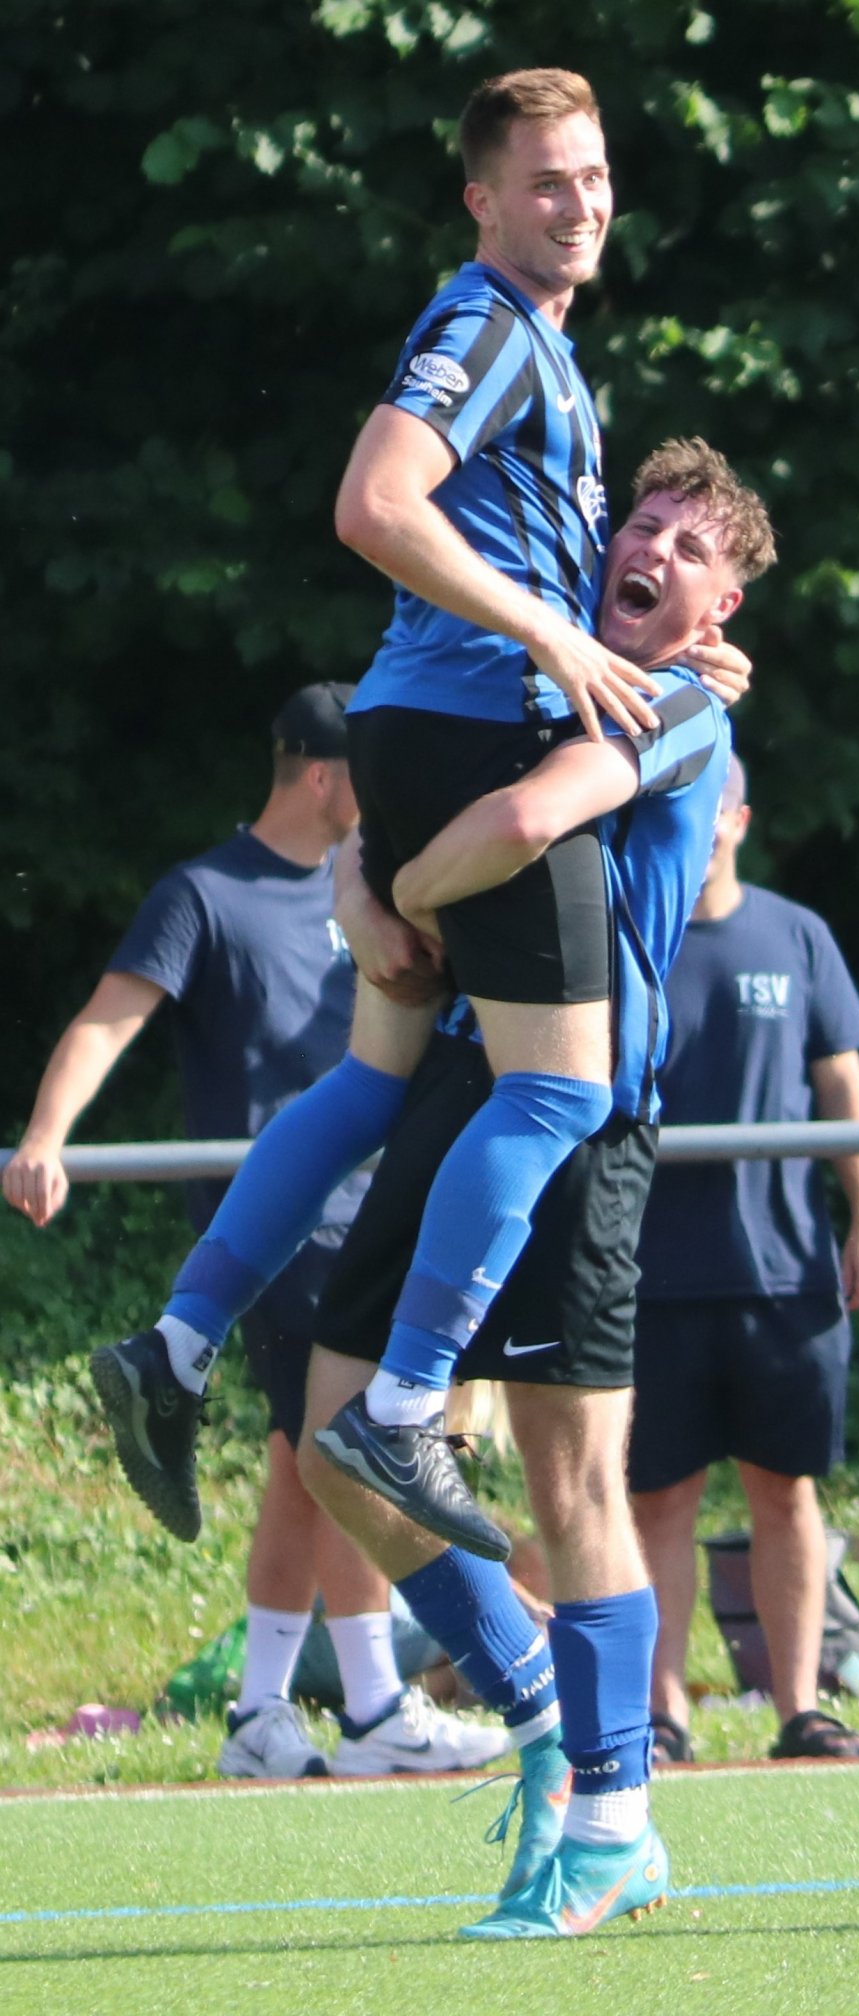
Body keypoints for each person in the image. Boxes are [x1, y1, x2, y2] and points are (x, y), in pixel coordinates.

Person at [89, 70, 747, 1565]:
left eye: (591, 177)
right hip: (465, 733)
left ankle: (179, 1347)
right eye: (543, 182)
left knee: (376, 1081)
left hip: (408, 727)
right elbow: (374, 502)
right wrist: (559, 642)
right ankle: (403, 1406)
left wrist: (649, 647)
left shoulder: (544, 349)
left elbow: (519, 559)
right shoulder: (490, 326)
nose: (576, 203)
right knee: (562, 1094)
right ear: (482, 199)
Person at [300, 441, 776, 1938]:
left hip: (577, 1118)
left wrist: (406, 893)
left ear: (723, 608)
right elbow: (393, 807)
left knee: (575, 1485)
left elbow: (517, 825)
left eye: (690, 546)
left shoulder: (680, 700)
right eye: (640, 521)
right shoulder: (535, 659)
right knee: (334, 1453)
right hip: (465, 1085)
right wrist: (358, 884)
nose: (650, 546)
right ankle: (538, 1720)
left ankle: (618, 1822)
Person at [3, 684, 507, 1780]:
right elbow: (108, 1014)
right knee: (356, 1449)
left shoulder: (376, 884)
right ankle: (374, 1708)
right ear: (325, 778)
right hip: (279, 1233)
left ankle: (261, 1716)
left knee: (297, 1462)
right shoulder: (205, 894)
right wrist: (46, 1131)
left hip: (370, 1213)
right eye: (364, 779)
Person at [627, 756, 859, 1763]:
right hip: (652, 1272)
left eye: (709, 813)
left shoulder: (796, 933)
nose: (695, 833)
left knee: (785, 1489)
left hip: (785, 1269)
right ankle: (662, 1715)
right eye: (674, 814)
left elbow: (842, 1088)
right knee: (658, 1498)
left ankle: (798, 1708)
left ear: (737, 817)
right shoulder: (629, 936)